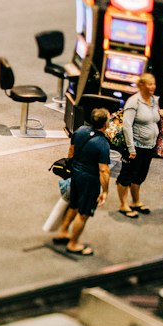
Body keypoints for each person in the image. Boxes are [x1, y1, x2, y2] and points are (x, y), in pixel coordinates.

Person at [52, 107, 111, 257]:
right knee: (83, 213)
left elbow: (71, 151)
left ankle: (63, 232)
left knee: (74, 205)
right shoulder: (102, 143)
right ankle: (73, 243)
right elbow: (104, 170)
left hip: (76, 174)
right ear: (105, 124)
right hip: (90, 180)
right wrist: (105, 191)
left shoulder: (80, 131)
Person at [116, 71, 163, 217]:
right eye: (150, 84)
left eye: (154, 84)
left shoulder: (154, 100)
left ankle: (135, 202)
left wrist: (161, 115)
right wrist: (131, 148)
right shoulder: (133, 102)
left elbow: (154, 119)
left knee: (140, 176)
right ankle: (123, 205)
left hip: (149, 145)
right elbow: (127, 126)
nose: (153, 87)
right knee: (126, 176)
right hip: (135, 146)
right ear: (142, 85)